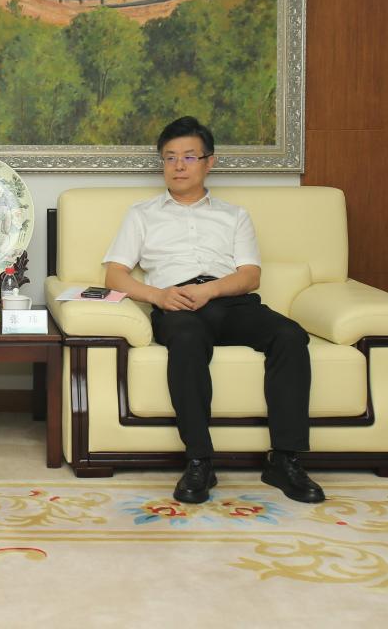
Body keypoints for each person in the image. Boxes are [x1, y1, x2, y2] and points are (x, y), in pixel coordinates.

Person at [102, 116, 325, 505]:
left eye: (189, 157)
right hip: (177, 304)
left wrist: (211, 290)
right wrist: (158, 296)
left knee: (290, 335)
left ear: (210, 162)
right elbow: (114, 275)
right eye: (170, 157)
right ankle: (199, 461)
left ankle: (285, 459)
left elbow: (250, 275)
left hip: (230, 301)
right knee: (187, 339)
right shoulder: (142, 214)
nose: (178, 166)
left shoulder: (234, 215)